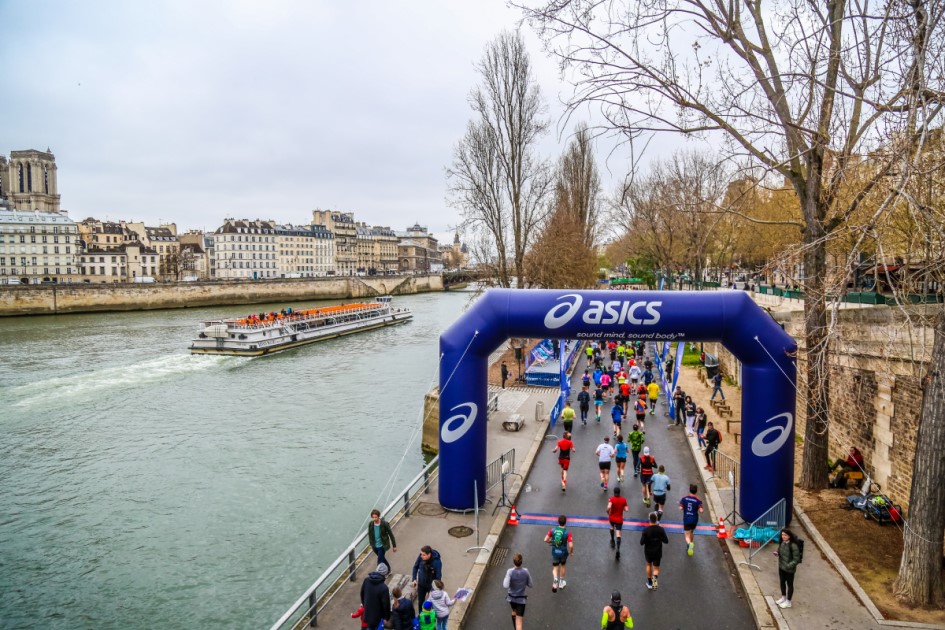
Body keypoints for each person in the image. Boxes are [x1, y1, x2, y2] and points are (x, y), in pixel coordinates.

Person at [544, 514, 574, 592]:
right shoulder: (567, 533)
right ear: (565, 523)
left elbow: (545, 539)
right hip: (563, 553)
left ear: (558, 522)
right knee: (563, 566)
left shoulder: (552, 530)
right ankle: (561, 582)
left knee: (555, 567)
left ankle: (555, 579)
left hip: (555, 552)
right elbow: (571, 545)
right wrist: (571, 552)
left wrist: (551, 541)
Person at [503, 552, 533, 630]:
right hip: (521, 599)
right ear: (521, 561)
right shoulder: (525, 571)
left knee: (513, 611)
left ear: (513, 562)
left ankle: (515, 628)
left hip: (511, 598)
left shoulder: (510, 571)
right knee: (519, 621)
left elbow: (505, 585)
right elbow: (530, 585)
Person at [640, 512, 669, 590]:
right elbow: (666, 541)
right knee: (656, 568)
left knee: (649, 564)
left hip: (648, 551)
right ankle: (654, 582)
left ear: (649, 520)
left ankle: (649, 583)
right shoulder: (661, 529)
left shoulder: (645, 530)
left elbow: (641, 543)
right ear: (656, 520)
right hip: (658, 551)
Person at [359, 561, 391, 630]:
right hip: (377, 617)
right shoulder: (384, 588)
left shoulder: (366, 580)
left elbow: (362, 593)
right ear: (385, 574)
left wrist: (365, 605)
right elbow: (386, 605)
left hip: (367, 614)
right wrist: (386, 617)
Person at [774, 528, 801, 608]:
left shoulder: (793, 546)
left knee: (790, 584)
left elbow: (796, 559)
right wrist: (777, 553)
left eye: (785, 535)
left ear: (789, 536)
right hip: (781, 567)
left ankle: (788, 601)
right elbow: (780, 551)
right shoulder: (782, 543)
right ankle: (783, 597)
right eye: (782, 535)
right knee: (782, 582)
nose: (783, 537)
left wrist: (788, 566)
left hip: (789, 569)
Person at [412, 545, 443, 611]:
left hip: (431, 586)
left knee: (431, 603)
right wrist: (414, 579)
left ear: (429, 554)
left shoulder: (437, 562)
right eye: (421, 554)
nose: (421, 556)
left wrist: (435, 589)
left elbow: (438, 576)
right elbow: (415, 567)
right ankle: (421, 615)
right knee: (420, 602)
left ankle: (430, 616)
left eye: (423, 555)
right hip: (421, 584)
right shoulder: (421, 557)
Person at [679, 484, 704, 556]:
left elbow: (681, 508)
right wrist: (700, 509)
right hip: (694, 519)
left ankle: (689, 544)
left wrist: (684, 508)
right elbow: (701, 510)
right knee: (692, 532)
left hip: (687, 519)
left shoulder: (684, 499)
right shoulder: (698, 500)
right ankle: (690, 544)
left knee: (686, 535)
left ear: (689, 489)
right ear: (696, 491)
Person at [606, 486, 629, 560]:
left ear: (614, 492)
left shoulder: (611, 499)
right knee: (618, 533)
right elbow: (626, 509)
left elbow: (609, 507)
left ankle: (612, 540)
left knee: (612, 528)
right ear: (619, 492)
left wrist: (607, 511)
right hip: (619, 519)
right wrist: (622, 507)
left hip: (612, 518)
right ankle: (618, 549)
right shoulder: (623, 500)